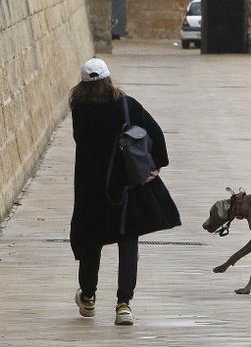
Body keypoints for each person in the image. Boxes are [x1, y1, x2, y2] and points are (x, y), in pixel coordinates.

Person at [69, 58, 181, 325]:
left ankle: (88, 297)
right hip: (125, 186)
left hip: (90, 188)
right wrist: (157, 165)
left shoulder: (80, 112)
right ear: (108, 79)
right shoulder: (127, 106)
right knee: (128, 241)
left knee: (91, 242)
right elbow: (155, 132)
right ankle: (123, 304)